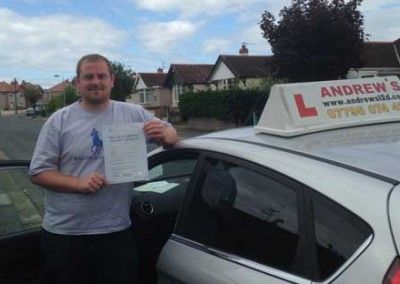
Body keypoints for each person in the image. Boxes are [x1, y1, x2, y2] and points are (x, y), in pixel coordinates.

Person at [29, 53, 178, 284]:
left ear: (112, 80)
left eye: (101, 76)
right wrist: (78, 184)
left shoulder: (133, 114)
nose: (95, 82)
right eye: (88, 77)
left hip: (116, 232)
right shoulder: (60, 121)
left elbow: (170, 134)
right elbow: (38, 172)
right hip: (66, 235)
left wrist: (167, 135)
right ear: (78, 82)